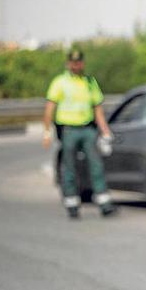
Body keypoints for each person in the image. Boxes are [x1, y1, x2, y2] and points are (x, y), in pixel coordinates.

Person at [42, 49, 116, 219]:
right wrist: (47, 132)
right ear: (68, 64)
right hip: (68, 130)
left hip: (88, 130)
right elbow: (49, 109)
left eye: (79, 62)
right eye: (73, 62)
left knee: (96, 165)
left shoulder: (90, 82)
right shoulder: (60, 82)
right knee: (69, 167)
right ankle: (72, 203)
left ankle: (104, 202)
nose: (76, 65)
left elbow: (97, 109)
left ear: (83, 63)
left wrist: (106, 132)